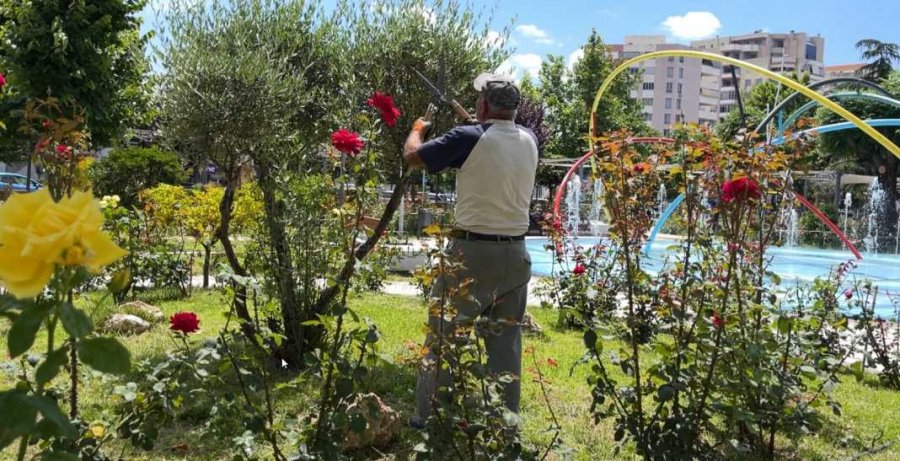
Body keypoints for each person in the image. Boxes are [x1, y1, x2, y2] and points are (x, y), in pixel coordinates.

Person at [402, 73, 539, 426]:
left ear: (482, 106)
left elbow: (413, 156)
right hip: (516, 255)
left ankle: (431, 418)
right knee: (506, 345)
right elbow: (493, 145)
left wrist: (418, 128)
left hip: (471, 253)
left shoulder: (468, 137)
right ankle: (504, 424)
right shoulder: (530, 139)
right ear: (515, 109)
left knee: (444, 335)